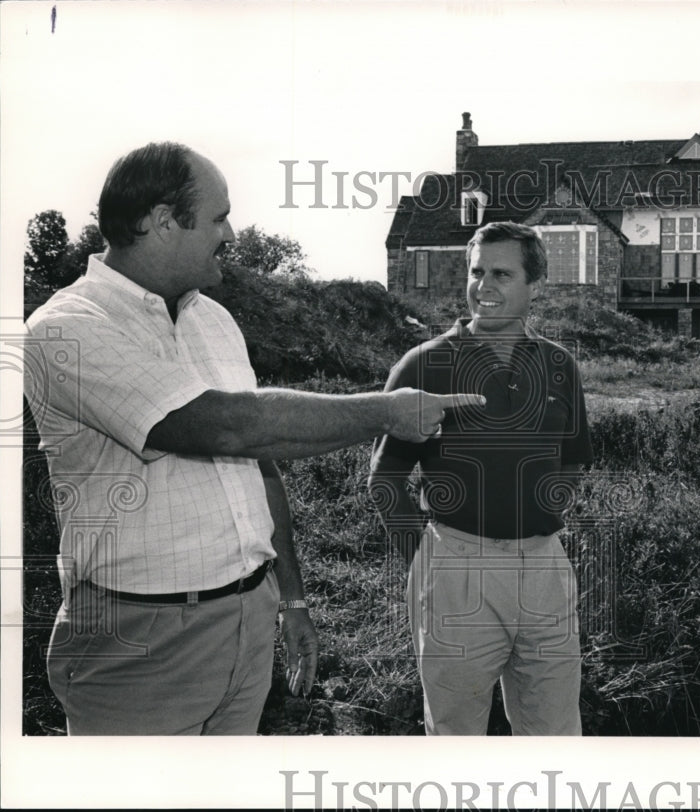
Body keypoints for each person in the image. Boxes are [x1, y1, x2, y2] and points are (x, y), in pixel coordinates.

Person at [23, 142, 482, 735]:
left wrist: (289, 599)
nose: (232, 233)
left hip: (247, 618)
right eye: (218, 217)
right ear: (163, 222)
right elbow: (227, 424)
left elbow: (257, 464)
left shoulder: (213, 320)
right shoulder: (66, 329)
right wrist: (385, 411)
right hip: (138, 642)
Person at [368, 222, 593, 735]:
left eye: (501, 274)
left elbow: (575, 458)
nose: (483, 286)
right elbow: (384, 481)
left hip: (544, 568)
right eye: (476, 272)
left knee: (556, 737)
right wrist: (429, 560)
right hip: (455, 568)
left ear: (534, 284)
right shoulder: (424, 365)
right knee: (455, 740)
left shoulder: (560, 365)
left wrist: (542, 514)